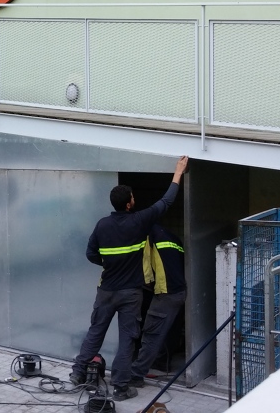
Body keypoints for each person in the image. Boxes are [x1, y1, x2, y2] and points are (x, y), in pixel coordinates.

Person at [69, 155, 189, 402]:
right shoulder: (139, 221)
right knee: (127, 341)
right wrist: (178, 172)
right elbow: (166, 202)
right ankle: (121, 388)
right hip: (130, 293)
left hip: (106, 290)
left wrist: (108, 264)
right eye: (133, 197)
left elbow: (91, 253)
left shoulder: (102, 225)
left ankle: (77, 374)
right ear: (129, 204)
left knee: (95, 333)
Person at [129, 224, 186, 388]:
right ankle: (162, 363)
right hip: (179, 290)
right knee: (171, 328)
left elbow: (146, 273)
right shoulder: (172, 237)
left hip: (164, 291)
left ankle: (137, 374)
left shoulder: (148, 238)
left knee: (151, 334)